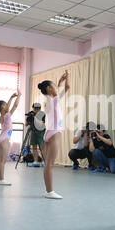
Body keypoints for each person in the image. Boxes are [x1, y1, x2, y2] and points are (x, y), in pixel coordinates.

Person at [38, 70, 70, 199]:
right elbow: (61, 91)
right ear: (49, 89)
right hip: (54, 133)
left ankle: (48, 191)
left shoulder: (50, 100)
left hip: (50, 132)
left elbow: (65, 88)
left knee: (49, 164)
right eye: (54, 87)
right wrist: (62, 82)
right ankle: (49, 191)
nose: (56, 89)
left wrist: (61, 81)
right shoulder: (53, 100)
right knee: (50, 164)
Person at [0, 90, 21, 186]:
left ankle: (0, 179)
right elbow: (15, 106)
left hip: (1, 138)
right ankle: (1, 179)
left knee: (1, 160)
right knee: (2, 161)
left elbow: (8, 107)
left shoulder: (2, 116)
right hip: (4, 139)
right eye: (5, 105)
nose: (7, 106)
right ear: (2, 107)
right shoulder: (7, 115)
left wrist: (11, 97)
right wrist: (19, 96)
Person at [25, 103, 45, 167]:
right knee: (34, 147)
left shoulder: (42, 114)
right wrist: (28, 118)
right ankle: (36, 161)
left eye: (37, 108)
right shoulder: (31, 114)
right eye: (34, 108)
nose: (35, 110)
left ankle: (45, 162)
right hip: (33, 131)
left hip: (41, 132)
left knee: (42, 148)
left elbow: (40, 124)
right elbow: (26, 124)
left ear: (39, 108)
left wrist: (34, 117)